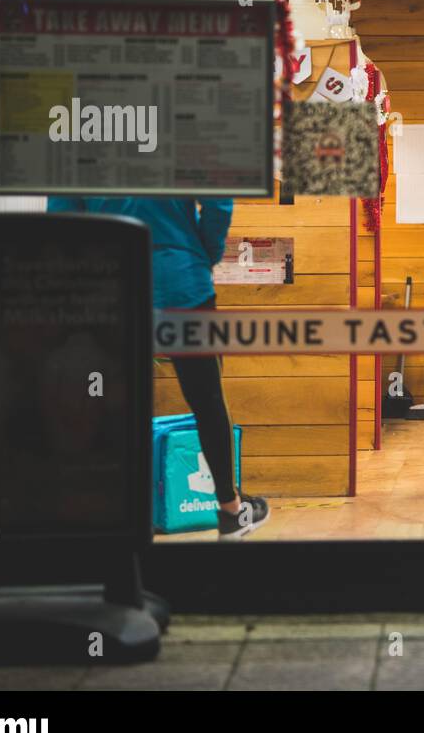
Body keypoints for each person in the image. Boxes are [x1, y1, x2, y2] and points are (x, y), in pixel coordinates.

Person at [46, 195, 270, 540]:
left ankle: (111, 515)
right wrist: (199, 254)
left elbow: (63, 222)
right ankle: (230, 510)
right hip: (181, 280)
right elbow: (218, 203)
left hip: (110, 284)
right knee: (207, 399)